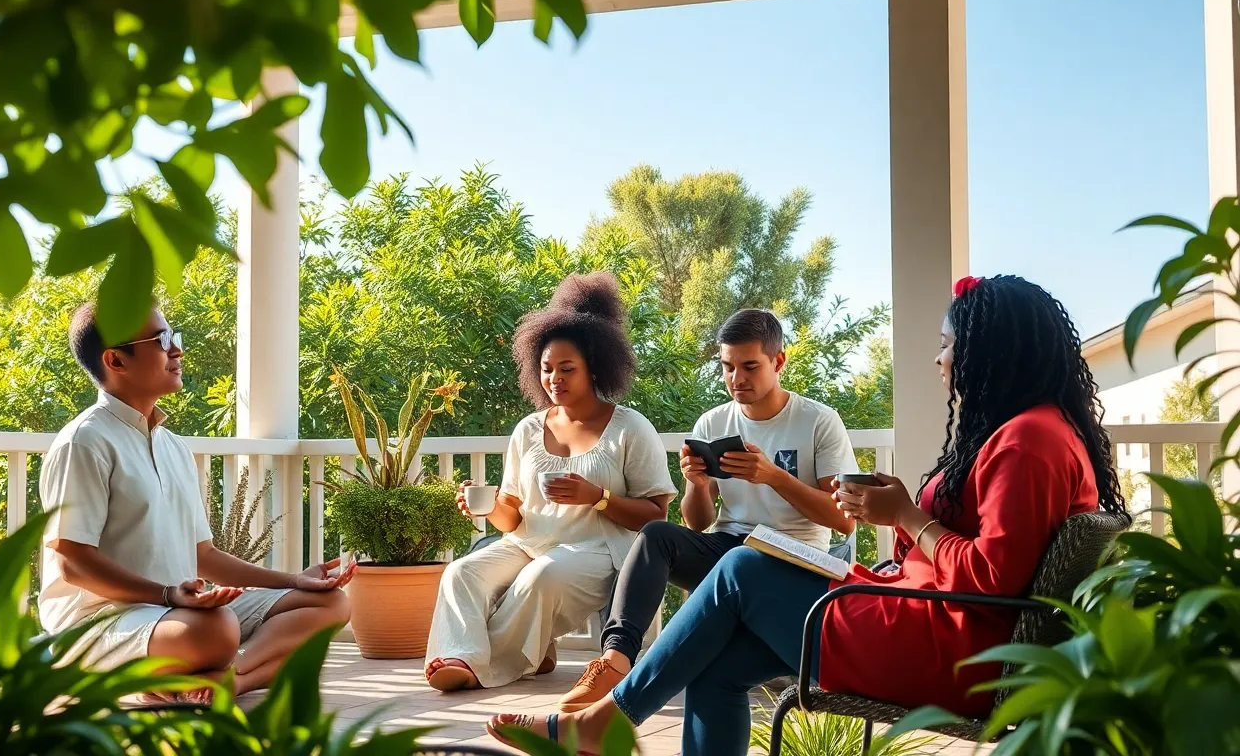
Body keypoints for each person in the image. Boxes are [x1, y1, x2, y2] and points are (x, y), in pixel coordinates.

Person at [487, 275, 1129, 755]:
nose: (939, 360)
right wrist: (903, 512)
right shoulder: (1027, 435)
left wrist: (909, 516)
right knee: (713, 654)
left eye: (947, 345)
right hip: (930, 623)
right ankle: (608, 713)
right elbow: (984, 556)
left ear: (991, 354)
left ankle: (607, 718)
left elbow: (992, 580)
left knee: (742, 568)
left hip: (951, 650)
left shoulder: (1029, 442)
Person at [39, 303, 355, 701]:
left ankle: (228, 681)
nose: (177, 351)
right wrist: (168, 596)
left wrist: (294, 580)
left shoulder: (173, 447)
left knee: (330, 604)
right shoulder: (84, 442)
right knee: (217, 629)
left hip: (177, 612)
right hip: (104, 621)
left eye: (174, 337)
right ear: (115, 359)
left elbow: (203, 555)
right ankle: (182, 678)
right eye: (161, 340)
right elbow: (73, 561)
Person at [556, 308, 860, 712]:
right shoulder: (713, 422)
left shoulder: (818, 421)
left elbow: (842, 520)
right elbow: (697, 522)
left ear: (778, 361)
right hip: (730, 547)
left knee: (741, 560)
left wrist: (774, 477)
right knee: (656, 536)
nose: (737, 379)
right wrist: (698, 486)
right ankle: (615, 659)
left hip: (795, 556)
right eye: (727, 367)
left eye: (750, 366)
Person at [424, 272, 677, 692]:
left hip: (598, 551)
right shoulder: (528, 429)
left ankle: (482, 667)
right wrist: (485, 509)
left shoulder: (630, 428)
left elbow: (655, 512)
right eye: (546, 369)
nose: (554, 379)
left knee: (541, 577)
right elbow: (512, 516)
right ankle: (461, 655)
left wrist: (597, 498)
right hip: (528, 543)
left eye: (566, 369)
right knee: (461, 572)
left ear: (594, 368)